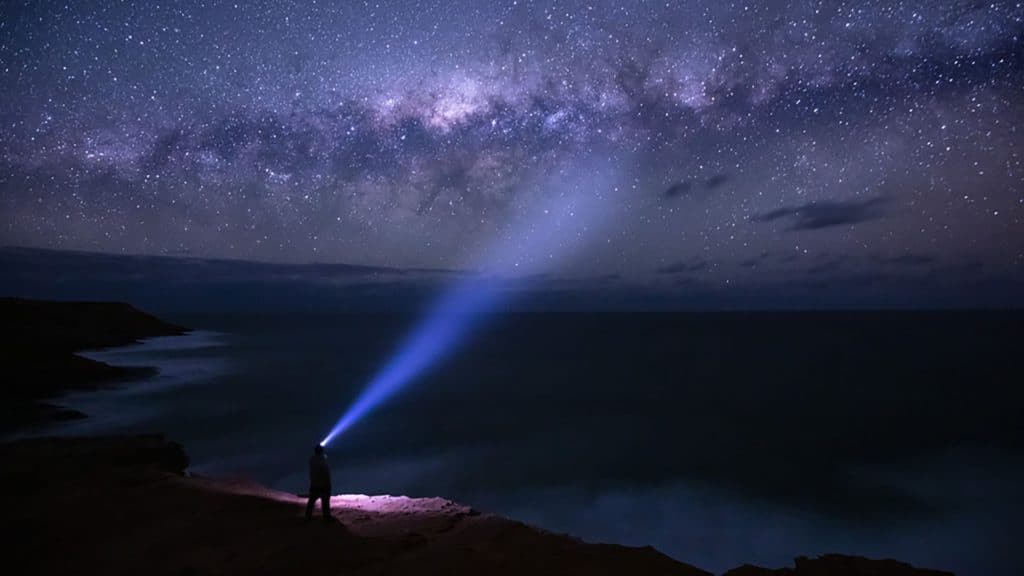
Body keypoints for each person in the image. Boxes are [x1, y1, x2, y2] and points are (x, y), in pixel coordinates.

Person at [305, 444, 332, 521]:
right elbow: (326, 472)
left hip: (314, 483)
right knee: (325, 501)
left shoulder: (312, 459)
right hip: (324, 484)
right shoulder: (323, 459)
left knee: (312, 500)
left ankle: (308, 516)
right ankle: (326, 517)